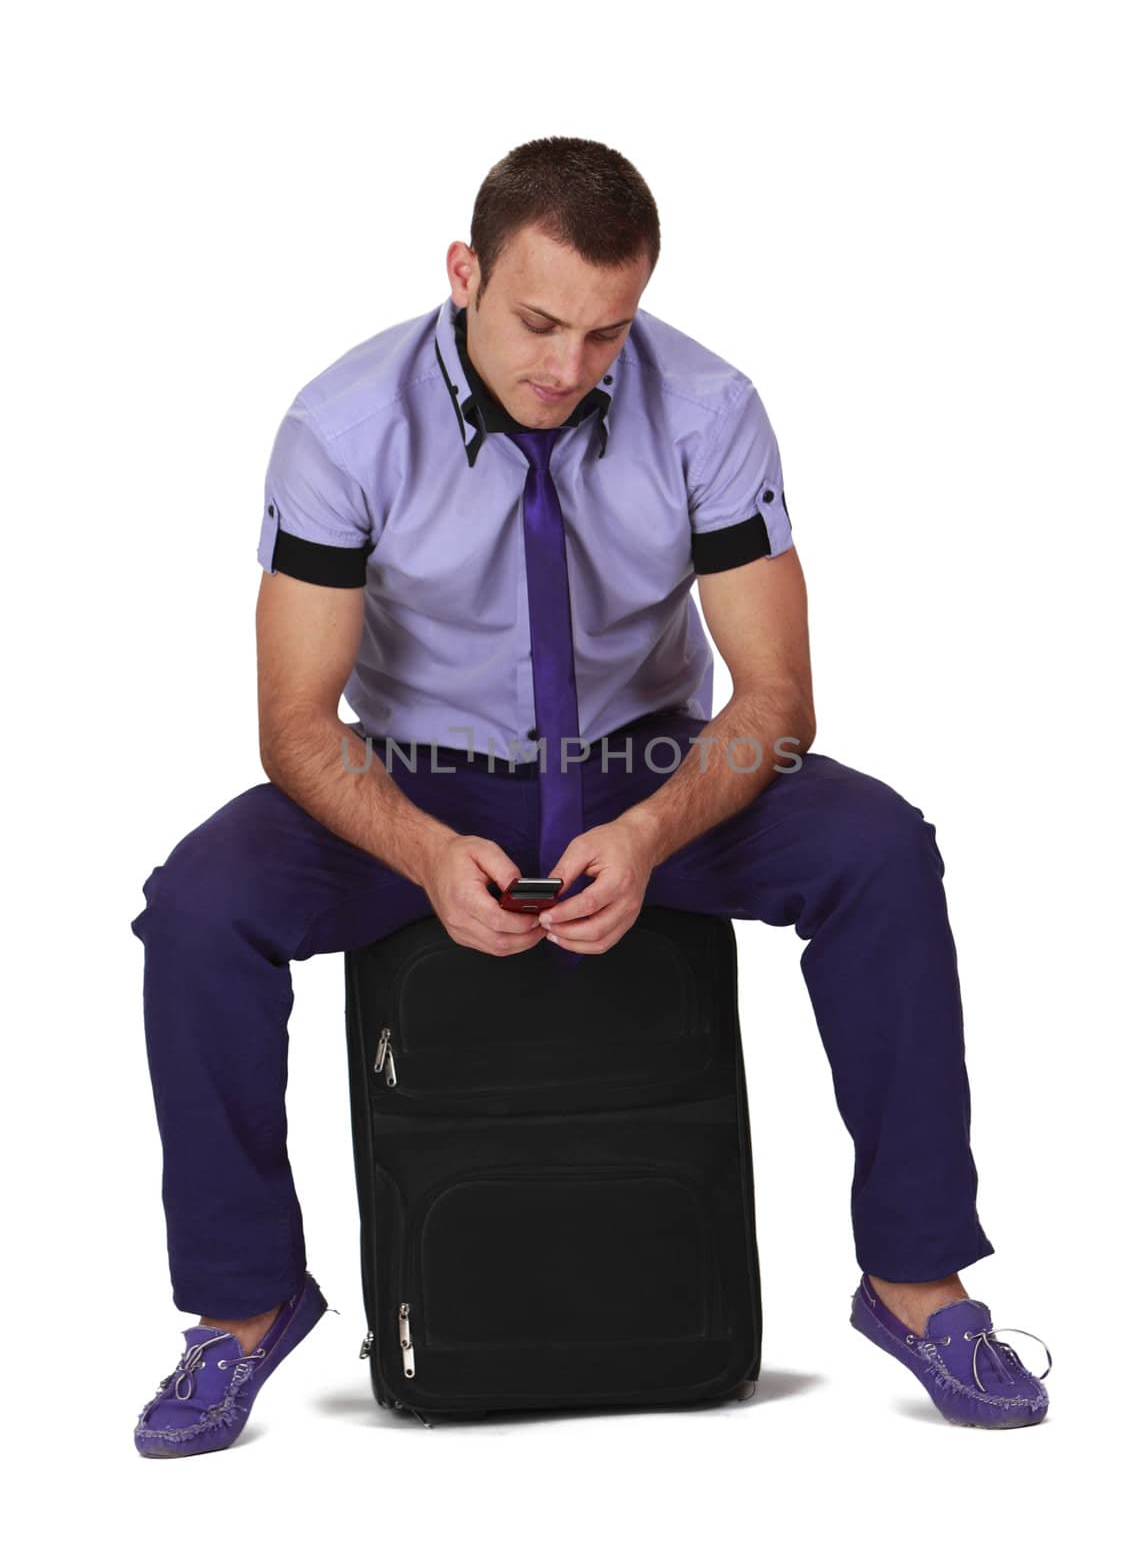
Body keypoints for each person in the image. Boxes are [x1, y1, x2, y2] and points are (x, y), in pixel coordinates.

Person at [130, 135, 1051, 1457]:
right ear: (465, 273)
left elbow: (778, 701)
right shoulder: (341, 427)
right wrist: (426, 848)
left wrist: (651, 824)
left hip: (644, 761)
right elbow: (293, 724)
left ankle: (917, 1282)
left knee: (880, 851)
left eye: (606, 333)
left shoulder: (712, 407)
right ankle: (241, 1310)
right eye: (539, 320)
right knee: (202, 907)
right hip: (422, 775)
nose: (567, 367)